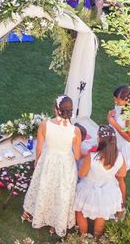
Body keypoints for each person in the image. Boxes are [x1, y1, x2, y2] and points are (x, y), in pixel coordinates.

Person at [22, 96, 81, 237]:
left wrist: (37, 161)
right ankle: (56, 224)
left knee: (45, 187)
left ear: (56, 109)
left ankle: (38, 214)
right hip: (65, 163)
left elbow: (39, 148)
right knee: (61, 191)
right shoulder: (75, 131)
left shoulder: (44, 125)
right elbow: (77, 156)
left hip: (48, 160)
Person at [74, 125, 126, 239]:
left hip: (88, 189)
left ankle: (83, 237)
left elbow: (81, 174)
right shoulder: (120, 156)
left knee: (80, 212)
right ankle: (97, 238)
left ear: (100, 140)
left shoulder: (92, 157)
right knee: (101, 215)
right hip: (108, 190)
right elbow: (122, 174)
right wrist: (109, 173)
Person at [108, 85, 130, 201]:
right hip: (114, 143)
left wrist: (113, 123)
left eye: (118, 99)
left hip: (123, 147)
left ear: (127, 100)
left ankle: (121, 206)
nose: (115, 101)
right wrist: (111, 116)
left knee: (119, 177)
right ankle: (111, 199)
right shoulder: (119, 106)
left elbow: (129, 137)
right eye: (115, 98)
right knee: (110, 175)